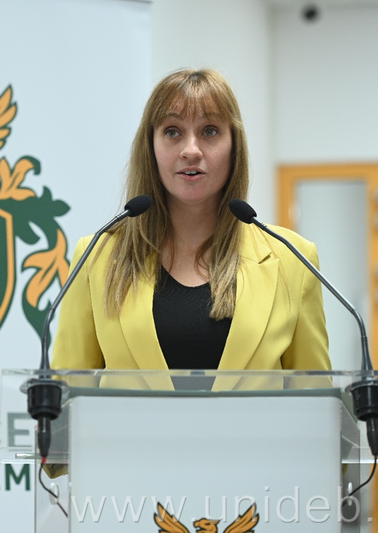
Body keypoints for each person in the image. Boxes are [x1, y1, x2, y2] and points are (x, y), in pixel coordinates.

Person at [51, 69, 331, 381]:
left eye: (210, 131)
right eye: (172, 132)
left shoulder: (293, 259)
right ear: (150, 147)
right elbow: (66, 394)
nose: (191, 150)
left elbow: (318, 398)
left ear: (234, 146)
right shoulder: (96, 256)